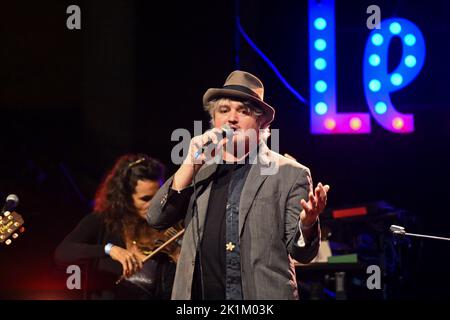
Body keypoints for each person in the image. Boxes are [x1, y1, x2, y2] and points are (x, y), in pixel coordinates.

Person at [147, 70, 330, 300]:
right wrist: (189, 164)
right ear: (214, 120)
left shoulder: (290, 174)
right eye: (223, 111)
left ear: (261, 121)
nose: (231, 118)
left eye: (243, 111)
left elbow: (303, 254)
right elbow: (156, 218)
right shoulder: (199, 170)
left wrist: (307, 223)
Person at [55, 154, 176, 299]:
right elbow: (63, 252)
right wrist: (109, 249)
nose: (153, 205)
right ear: (125, 197)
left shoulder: (164, 229)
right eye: (145, 199)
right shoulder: (102, 222)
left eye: (158, 197)